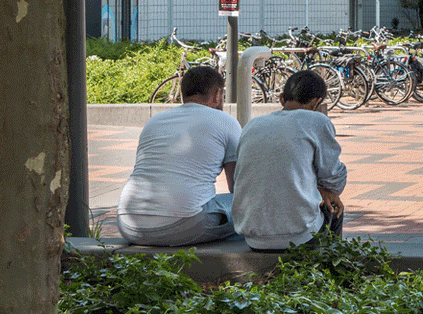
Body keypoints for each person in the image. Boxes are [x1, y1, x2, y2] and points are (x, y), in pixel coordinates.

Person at [116, 66, 241, 246]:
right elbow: (238, 187)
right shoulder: (225, 121)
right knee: (252, 203)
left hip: (128, 225)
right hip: (185, 224)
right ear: (217, 94)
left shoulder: (155, 121)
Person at [232, 70, 349, 251]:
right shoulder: (317, 120)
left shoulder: (252, 125)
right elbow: (334, 181)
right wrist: (325, 191)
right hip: (300, 236)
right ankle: (331, 269)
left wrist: (317, 188)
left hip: (253, 237)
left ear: (281, 98)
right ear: (317, 102)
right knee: (334, 207)